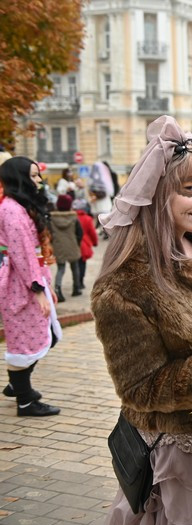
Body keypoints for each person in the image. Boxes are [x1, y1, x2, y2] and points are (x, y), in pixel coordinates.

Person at [91, 116, 192, 525]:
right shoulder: (126, 284)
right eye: (190, 189)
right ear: (158, 193)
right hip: (185, 457)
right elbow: (141, 388)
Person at [0, 156, 62, 417]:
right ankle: (24, 398)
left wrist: (45, 285)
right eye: (34, 176)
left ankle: (18, 385)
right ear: (19, 178)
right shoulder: (12, 211)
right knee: (25, 344)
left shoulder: (18, 207)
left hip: (29, 281)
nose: (38, 181)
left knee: (42, 336)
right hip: (20, 285)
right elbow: (23, 254)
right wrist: (38, 290)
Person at [49, 194, 82, 300]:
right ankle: (76, 288)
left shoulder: (51, 218)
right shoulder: (74, 217)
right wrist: (77, 242)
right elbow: (80, 232)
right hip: (72, 244)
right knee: (75, 267)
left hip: (58, 246)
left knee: (61, 269)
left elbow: (49, 233)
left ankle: (58, 290)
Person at [72, 199, 97, 293]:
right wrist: (95, 242)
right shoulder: (87, 218)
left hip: (74, 243)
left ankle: (76, 282)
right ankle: (81, 281)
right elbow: (92, 232)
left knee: (75, 265)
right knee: (82, 264)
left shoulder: (71, 217)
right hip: (84, 244)